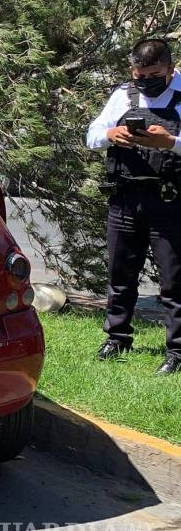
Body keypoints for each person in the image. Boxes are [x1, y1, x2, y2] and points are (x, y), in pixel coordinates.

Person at [87, 38, 181, 373]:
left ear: (171, 68)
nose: (146, 81)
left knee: (174, 281)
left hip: (169, 202)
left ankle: (177, 352)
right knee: (120, 275)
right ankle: (117, 337)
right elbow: (91, 135)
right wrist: (111, 134)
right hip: (124, 199)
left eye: (154, 74)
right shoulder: (123, 95)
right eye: (140, 75)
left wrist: (170, 142)